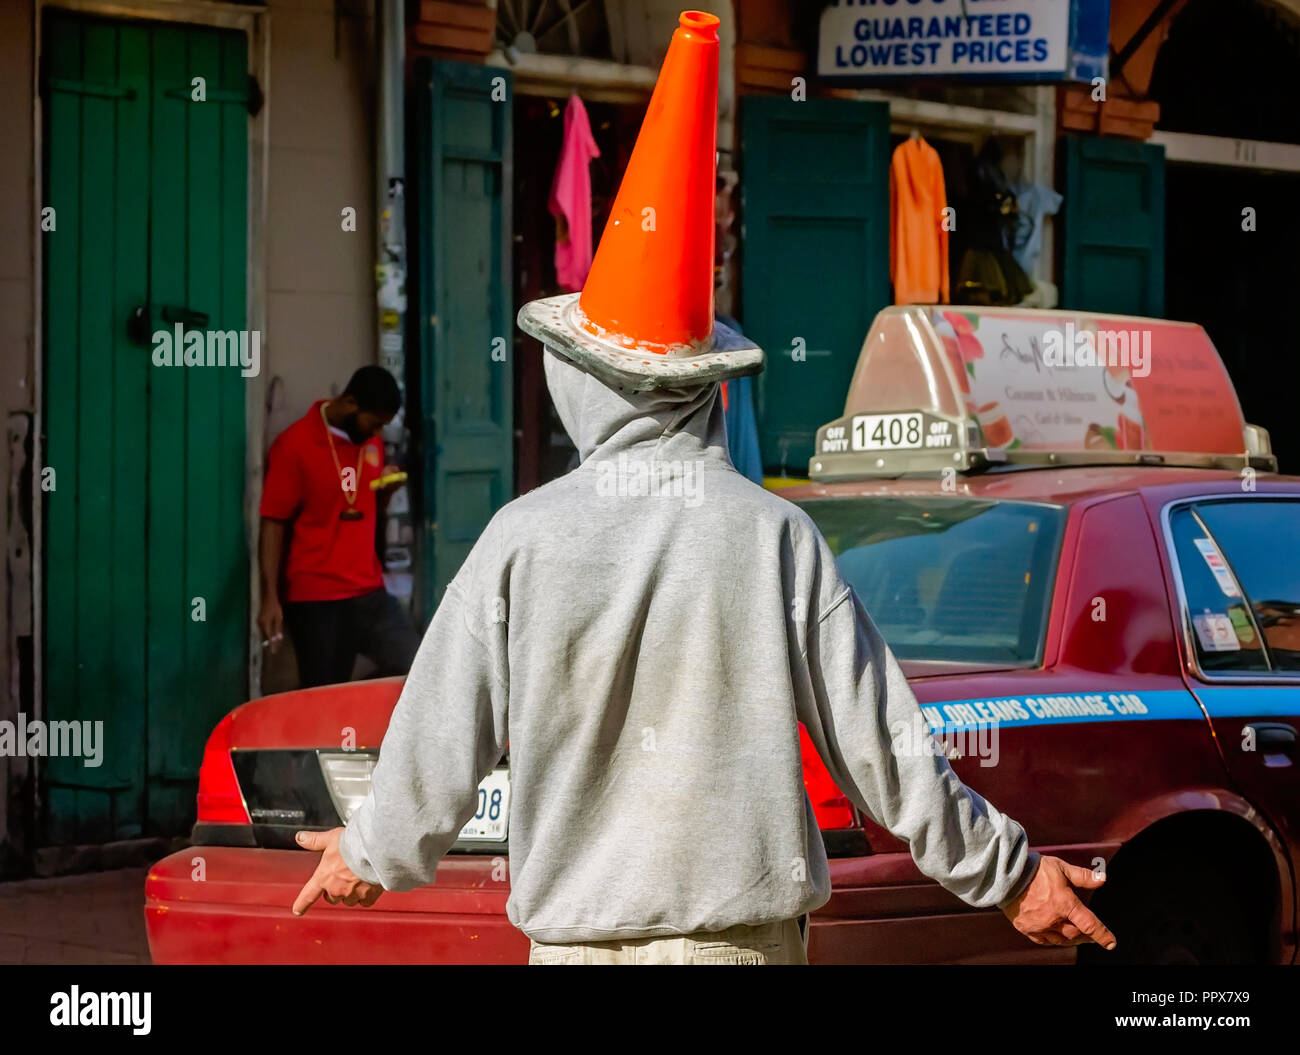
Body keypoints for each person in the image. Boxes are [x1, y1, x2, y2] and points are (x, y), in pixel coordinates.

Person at [291, 11, 1115, 964]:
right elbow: (885, 753)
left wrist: (366, 850)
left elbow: (438, 744)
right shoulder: (775, 537)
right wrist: (1012, 875)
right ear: (702, 387)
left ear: (580, 381)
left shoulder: (521, 539)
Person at [257, 366, 418, 689]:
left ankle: (359, 709)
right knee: (324, 695)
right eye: (374, 423)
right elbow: (273, 523)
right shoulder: (295, 445)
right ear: (349, 402)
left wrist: (384, 498)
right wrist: (270, 597)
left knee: (419, 666)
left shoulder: (371, 445)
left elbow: (363, 508)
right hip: (317, 598)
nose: (377, 432)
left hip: (369, 592)